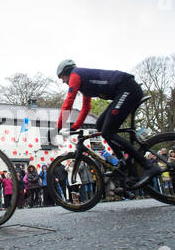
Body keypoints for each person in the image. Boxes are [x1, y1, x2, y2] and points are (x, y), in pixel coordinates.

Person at [52, 59, 162, 189]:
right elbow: (86, 108)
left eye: (63, 77)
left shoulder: (75, 75)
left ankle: (148, 165)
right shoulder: (83, 84)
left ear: (67, 72)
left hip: (127, 89)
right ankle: (124, 163)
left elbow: (68, 102)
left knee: (107, 132)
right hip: (123, 92)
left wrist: (59, 126)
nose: (63, 81)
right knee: (100, 125)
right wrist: (75, 127)